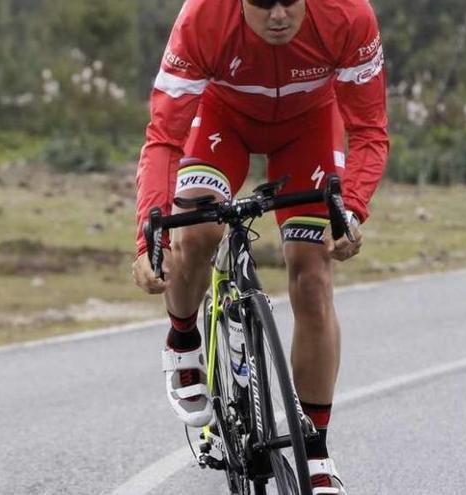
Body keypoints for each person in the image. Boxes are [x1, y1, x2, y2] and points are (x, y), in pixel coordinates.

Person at [132, 0, 388, 492]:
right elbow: (164, 135)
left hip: (310, 125)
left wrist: (351, 207)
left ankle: (315, 452)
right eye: (261, 2)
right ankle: (183, 338)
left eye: (289, 1)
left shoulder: (349, 15)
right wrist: (150, 234)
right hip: (221, 121)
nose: (277, 15)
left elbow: (370, 130)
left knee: (312, 276)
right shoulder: (203, 17)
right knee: (196, 233)